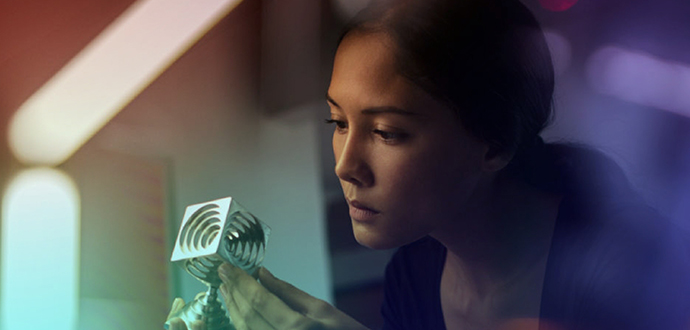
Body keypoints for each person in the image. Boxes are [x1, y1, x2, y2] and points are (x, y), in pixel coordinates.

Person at [167, 0, 690, 329]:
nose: (347, 168)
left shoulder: (625, 281)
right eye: (338, 123)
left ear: (493, 142)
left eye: (388, 132)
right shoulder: (413, 276)